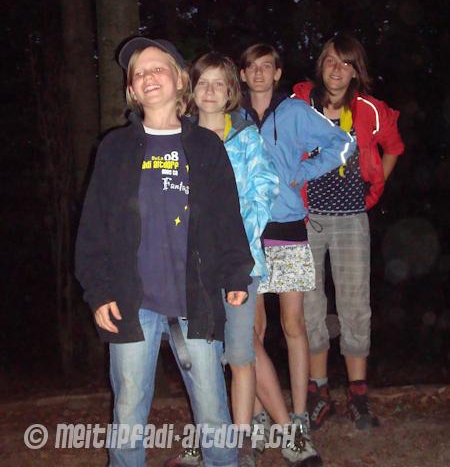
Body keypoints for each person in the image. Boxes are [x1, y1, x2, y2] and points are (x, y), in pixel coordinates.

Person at [75, 36, 254, 467]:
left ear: (180, 80)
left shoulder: (206, 146)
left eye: (158, 67)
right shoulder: (115, 148)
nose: (148, 76)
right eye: (138, 73)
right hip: (131, 302)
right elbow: (94, 227)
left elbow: (227, 216)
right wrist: (98, 291)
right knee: (128, 410)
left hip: (196, 298)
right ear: (132, 90)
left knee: (213, 410)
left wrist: (236, 273)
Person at [239, 43, 356, 467]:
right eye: (251, 67)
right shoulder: (233, 115)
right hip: (246, 234)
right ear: (242, 74)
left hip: (287, 228)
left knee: (293, 325)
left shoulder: (293, 112)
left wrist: (299, 173)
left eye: (266, 67)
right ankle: (257, 416)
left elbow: (342, 143)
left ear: (277, 73)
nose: (258, 73)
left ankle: (300, 416)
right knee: (250, 332)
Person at [167, 53, 278, 467]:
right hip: (194, 269)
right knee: (202, 354)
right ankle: (211, 437)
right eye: (203, 83)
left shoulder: (246, 138)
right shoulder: (179, 138)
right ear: (190, 89)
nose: (210, 91)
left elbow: (264, 189)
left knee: (241, 352)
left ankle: (242, 440)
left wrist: (236, 244)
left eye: (219, 83)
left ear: (231, 90)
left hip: (239, 264)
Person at [292, 33, 404, 431]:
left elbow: (394, 146)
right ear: (320, 65)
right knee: (309, 306)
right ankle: (319, 391)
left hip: (352, 217)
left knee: (355, 304)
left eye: (346, 63)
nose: (337, 69)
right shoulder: (300, 104)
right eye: (330, 61)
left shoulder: (370, 109)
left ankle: (358, 394)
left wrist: (375, 189)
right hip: (306, 219)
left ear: (356, 70)